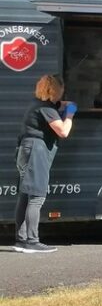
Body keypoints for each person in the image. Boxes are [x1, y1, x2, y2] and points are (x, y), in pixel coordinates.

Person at [13, 75, 76, 253]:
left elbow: (58, 105)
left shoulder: (38, 104)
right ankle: (32, 241)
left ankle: (21, 240)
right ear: (57, 89)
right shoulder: (46, 109)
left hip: (26, 149)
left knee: (26, 196)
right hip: (35, 151)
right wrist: (70, 114)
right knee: (37, 197)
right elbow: (63, 132)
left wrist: (63, 104)